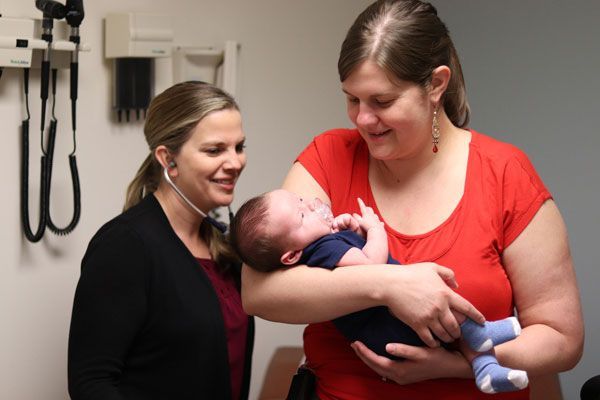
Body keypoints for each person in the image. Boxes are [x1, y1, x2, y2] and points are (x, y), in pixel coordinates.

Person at [240, 1, 584, 399]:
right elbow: (260, 292)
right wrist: (390, 284)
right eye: (352, 99)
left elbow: (562, 338)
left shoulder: (505, 174)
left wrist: (457, 367)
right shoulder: (329, 156)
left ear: (436, 84)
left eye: (382, 102)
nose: (362, 119)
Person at [232, 189, 528, 393]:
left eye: (300, 200)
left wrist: (347, 232)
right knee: (443, 309)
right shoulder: (321, 249)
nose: (310, 205)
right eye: (301, 216)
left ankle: (486, 368)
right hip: (391, 327)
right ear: (291, 256)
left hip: (385, 333)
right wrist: (375, 231)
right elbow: (370, 266)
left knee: (447, 326)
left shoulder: (319, 247)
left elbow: (349, 258)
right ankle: (481, 333)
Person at [67, 81, 254, 400]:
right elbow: (91, 382)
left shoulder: (220, 243)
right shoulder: (126, 246)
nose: (235, 162)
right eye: (215, 150)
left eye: (239, 147)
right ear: (168, 160)